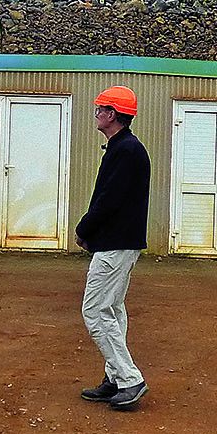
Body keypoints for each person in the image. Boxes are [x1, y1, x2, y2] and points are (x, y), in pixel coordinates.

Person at [75, 85, 151, 412]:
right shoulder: (123, 148)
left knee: (94, 310)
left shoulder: (126, 151)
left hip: (116, 244)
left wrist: (84, 228)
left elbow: (109, 199)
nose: (96, 114)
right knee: (113, 309)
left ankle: (129, 378)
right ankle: (115, 378)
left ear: (113, 114)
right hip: (119, 242)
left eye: (100, 109)